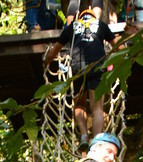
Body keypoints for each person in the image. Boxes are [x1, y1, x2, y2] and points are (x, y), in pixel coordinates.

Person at [43, 0, 117, 150]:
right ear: (93, 16)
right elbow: (117, 44)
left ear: (80, 17)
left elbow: (55, 49)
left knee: (79, 104)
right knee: (97, 108)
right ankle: (97, 140)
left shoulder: (72, 27)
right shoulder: (101, 25)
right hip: (97, 65)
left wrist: (46, 60)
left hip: (78, 68)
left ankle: (83, 135)